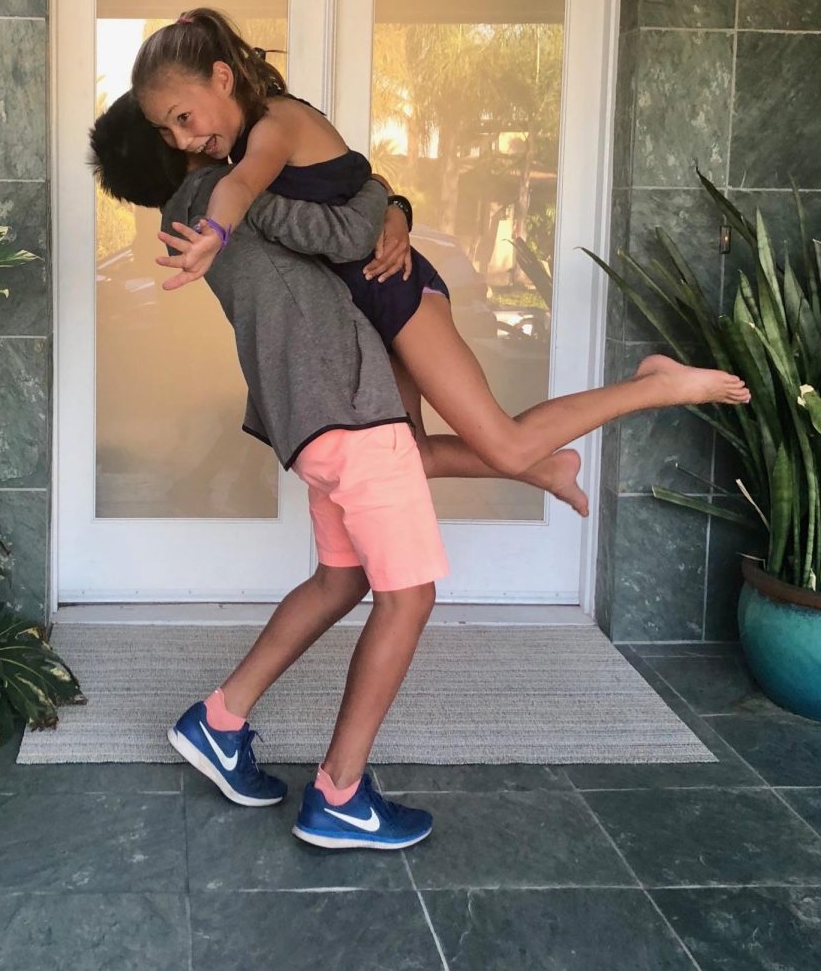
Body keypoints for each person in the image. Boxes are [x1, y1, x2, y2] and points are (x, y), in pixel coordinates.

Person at [91, 86, 749, 518]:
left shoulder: (244, 165)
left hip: (392, 285)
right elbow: (329, 213)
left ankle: (653, 386)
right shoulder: (224, 190)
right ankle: (545, 469)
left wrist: (391, 200)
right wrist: (387, 198)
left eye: (182, 119)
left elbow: (344, 203)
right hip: (368, 306)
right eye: (169, 129)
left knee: (504, 441)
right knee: (416, 455)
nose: (187, 133)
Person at [155, 148, 447, 850]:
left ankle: (221, 720)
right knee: (408, 596)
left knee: (340, 579)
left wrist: (395, 210)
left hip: (314, 415)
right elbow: (348, 234)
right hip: (348, 404)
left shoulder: (197, 206)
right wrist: (385, 192)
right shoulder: (239, 193)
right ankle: (340, 794)